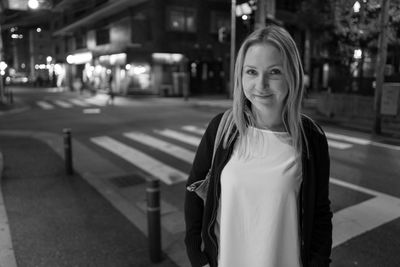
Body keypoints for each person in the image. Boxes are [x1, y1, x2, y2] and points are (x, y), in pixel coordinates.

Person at [184, 25, 332, 267]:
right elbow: (195, 193)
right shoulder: (221, 129)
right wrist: (197, 258)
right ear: (240, 76)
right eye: (251, 71)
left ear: (292, 75)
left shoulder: (311, 138)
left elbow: (320, 215)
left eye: (274, 72)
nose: (260, 84)